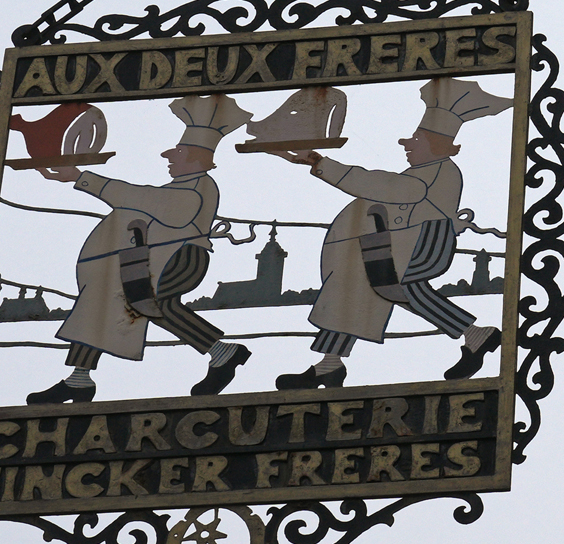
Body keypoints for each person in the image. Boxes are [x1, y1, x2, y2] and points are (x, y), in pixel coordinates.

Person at [270, 77, 516, 388]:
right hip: (392, 245)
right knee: (352, 287)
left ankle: (476, 333)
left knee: (398, 286)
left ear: (436, 145)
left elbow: (383, 186)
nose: (406, 144)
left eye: (416, 139)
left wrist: (320, 162)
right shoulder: (423, 171)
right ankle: (330, 363)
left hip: (422, 245)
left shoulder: (437, 172)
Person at [27, 94, 254, 405]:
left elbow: (147, 200)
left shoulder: (199, 186)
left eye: (177, 153)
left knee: (152, 301)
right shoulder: (181, 186)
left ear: (196, 158)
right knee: (102, 297)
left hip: (181, 260)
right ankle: (79, 378)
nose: (168, 157)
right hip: (152, 259)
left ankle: (223, 352)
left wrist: (83, 178)